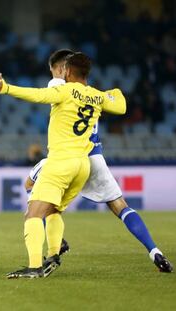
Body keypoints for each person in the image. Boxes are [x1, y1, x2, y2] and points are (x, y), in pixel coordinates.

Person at [25, 49, 173, 273]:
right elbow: (118, 103)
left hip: (69, 156)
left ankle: (54, 245)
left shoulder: (58, 85)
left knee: (32, 188)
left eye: (56, 69)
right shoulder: (94, 94)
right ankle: (155, 251)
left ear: (63, 69)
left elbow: (50, 91)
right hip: (95, 158)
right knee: (121, 207)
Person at [0, 52, 127, 278]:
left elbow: (38, 95)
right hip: (83, 165)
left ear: (68, 71)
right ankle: (53, 255)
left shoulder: (64, 90)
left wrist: (7, 88)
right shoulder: (96, 96)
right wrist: (113, 92)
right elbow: (120, 106)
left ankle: (34, 268)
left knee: (33, 214)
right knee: (53, 210)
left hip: (61, 161)